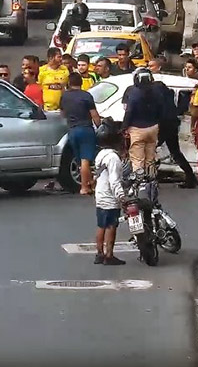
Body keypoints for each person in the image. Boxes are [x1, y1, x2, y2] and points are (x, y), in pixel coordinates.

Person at [149, 64, 198, 188]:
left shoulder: (153, 95)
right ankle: (190, 177)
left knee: (150, 150)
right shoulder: (167, 93)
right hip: (172, 124)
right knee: (175, 151)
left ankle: (150, 178)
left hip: (162, 125)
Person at [60, 72, 102, 195]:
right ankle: (85, 187)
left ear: (69, 83)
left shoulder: (64, 97)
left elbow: (62, 114)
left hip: (72, 130)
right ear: (81, 82)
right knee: (86, 160)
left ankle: (88, 184)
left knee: (79, 160)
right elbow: (94, 115)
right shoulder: (86, 96)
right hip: (85, 129)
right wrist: (100, 126)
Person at [93, 120, 126, 266]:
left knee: (101, 225)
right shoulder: (113, 158)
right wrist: (121, 197)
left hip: (100, 195)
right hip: (110, 197)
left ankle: (99, 253)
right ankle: (109, 255)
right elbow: (114, 181)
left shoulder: (100, 154)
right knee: (111, 226)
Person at [121, 68, 161, 171]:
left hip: (137, 129)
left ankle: (140, 184)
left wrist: (124, 127)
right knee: (150, 159)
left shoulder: (133, 92)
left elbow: (128, 111)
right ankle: (151, 182)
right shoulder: (156, 91)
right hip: (153, 128)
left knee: (137, 159)